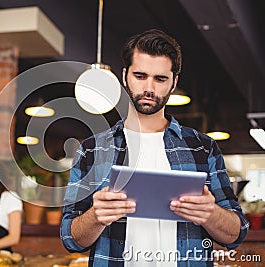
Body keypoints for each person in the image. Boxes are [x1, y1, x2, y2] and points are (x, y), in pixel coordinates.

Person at [60, 29, 249, 266]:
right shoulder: (92, 150)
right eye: (140, 76)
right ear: (125, 75)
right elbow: (70, 239)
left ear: (174, 82)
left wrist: (211, 214)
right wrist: (95, 217)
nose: (149, 88)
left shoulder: (202, 148)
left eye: (160, 79)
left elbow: (236, 234)